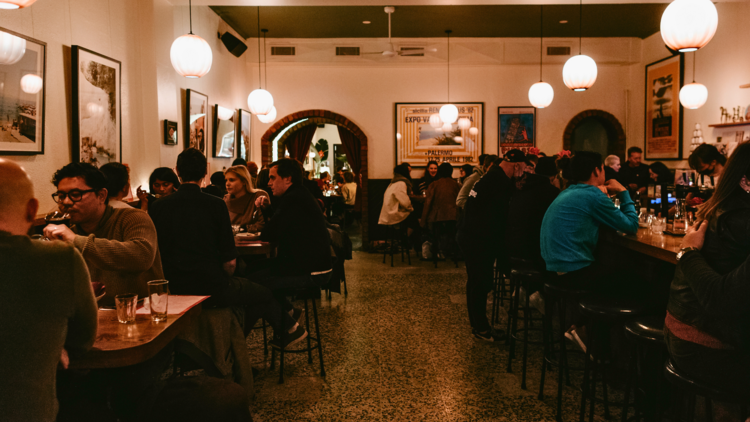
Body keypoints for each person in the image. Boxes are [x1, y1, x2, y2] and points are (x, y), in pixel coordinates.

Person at [149, 149, 301, 344]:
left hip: (173, 287)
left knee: (251, 287)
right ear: (205, 172)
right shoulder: (216, 204)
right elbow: (229, 263)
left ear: (177, 171)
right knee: (263, 294)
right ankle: (232, 346)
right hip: (209, 286)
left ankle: (288, 326)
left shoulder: (158, 207)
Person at [0, 158, 97, 422]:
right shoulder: (59, 259)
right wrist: (53, 344)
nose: (67, 202)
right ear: (33, 210)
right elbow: (83, 339)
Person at [665, 142, 750, 392]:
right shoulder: (741, 218)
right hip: (705, 343)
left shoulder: (721, 205)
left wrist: (688, 250)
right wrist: (688, 252)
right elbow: (721, 299)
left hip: (682, 327)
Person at [540, 151, 639, 348]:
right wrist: (623, 192)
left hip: (552, 269)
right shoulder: (592, 195)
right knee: (635, 282)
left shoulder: (570, 191)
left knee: (613, 272)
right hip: (570, 272)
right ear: (597, 170)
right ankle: (592, 337)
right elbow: (630, 225)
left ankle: (583, 326)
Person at [44, 162, 164, 305]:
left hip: (143, 313)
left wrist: (76, 241)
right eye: (61, 196)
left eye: (76, 195)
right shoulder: (70, 233)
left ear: (101, 195)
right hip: (95, 317)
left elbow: (142, 256)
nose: (66, 202)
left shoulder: (133, 218)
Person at [253, 158, 333, 346]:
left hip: (312, 270)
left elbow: (269, 233)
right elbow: (278, 228)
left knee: (254, 285)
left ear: (288, 179)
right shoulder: (297, 195)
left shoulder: (294, 199)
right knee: (252, 274)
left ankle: (290, 328)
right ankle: (288, 312)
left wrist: (267, 212)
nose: (268, 183)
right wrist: (267, 209)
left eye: (273, 178)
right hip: (306, 264)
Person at [457, 150, 527, 342]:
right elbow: (502, 217)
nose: (522, 173)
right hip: (478, 239)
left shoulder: (490, 176)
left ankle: (478, 326)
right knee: (480, 283)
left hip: (469, 235)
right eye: (523, 169)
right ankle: (481, 329)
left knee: (475, 283)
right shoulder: (500, 182)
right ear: (517, 166)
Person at [506, 156, 560, 271]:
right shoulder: (551, 193)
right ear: (554, 176)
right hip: (534, 252)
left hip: (510, 248)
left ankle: (525, 286)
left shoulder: (521, 187)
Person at [421, 162, 460, 260]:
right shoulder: (457, 185)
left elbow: (428, 203)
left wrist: (423, 221)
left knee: (434, 233)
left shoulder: (434, 184)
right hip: (453, 218)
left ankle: (437, 252)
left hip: (437, 218)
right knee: (452, 233)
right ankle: (452, 253)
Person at [224, 164, 268, 232]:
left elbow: (262, 224)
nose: (227, 183)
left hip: (254, 240)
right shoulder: (226, 199)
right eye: (226, 180)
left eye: (232, 180)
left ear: (244, 181)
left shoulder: (258, 196)